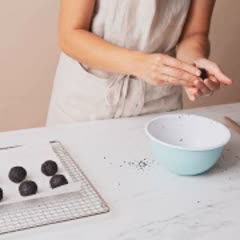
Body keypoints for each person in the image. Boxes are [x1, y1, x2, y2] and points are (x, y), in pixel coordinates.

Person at [47, 0, 232, 126]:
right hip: (86, 101)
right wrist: (140, 65)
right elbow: (70, 35)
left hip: (158, 102)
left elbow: (194, 34)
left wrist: (193, 67)